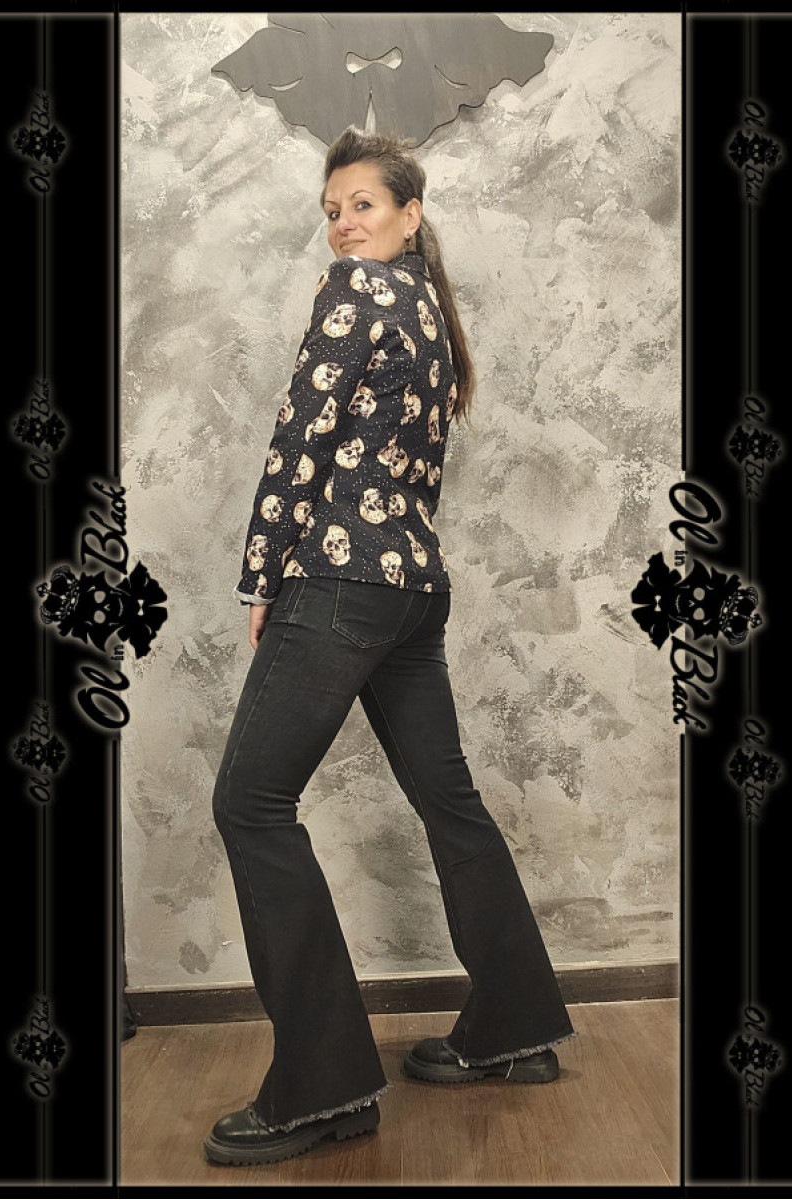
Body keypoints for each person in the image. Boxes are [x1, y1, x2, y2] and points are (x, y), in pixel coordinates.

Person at [205, 127, 574, 1167]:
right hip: (413, 588)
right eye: (331, 211)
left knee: (249, 804)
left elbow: (301, 438)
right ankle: (515, 1027)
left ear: (410, 214)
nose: (342, 224)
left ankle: (321, 1088)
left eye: (361, 204)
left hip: (341, 581)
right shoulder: (426, 308)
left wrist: (263, 573)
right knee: (449, 800)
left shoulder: (355, 290)